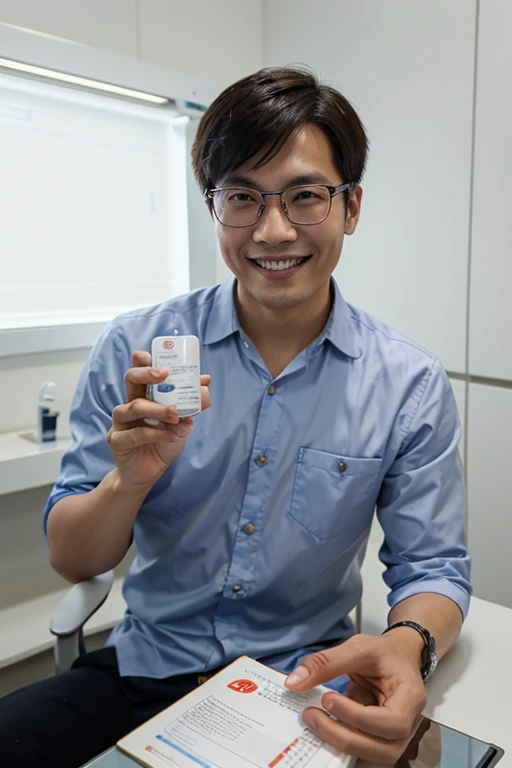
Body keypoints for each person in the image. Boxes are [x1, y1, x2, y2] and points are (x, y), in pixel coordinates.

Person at [0, 66, 471, 768]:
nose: (274, 230)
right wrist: (126, 483)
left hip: (304, 688)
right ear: (214, 207)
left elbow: (433, 566)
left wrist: (406, 647)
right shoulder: (138, 350)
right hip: (145, 669)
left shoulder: (408, 384)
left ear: (352, 207)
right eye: (242, 197)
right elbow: (74, 558)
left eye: (305, 195)